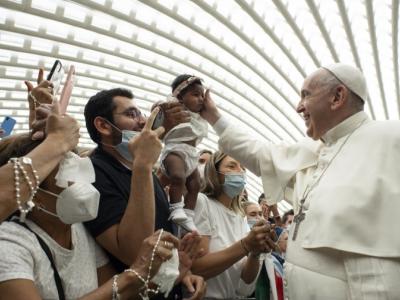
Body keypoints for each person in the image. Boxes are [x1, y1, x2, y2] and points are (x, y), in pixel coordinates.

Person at [199, 63, 400, 299]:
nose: (298, 107)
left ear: (337, 97)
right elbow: (260, 154)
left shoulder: (390, 138)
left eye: (306, 95)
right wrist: (212, 116)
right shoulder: (312, 150)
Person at [0, 94, 180, 299]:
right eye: (66, 170)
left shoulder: (79, 232)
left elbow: (115, 290)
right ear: (31, 191)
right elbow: (126, 276)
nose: (83, 181)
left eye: (78, 166)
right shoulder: (9, 245)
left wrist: (173, 273)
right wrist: (134, 274)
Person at [83, 88, 205, 299]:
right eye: (131, 114)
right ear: (103, 125)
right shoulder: (94, 172)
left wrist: (182, 273)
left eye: (140, 114)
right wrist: (143, 164)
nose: (141, 122)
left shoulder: (141, 170)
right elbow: (134, 254)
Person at [191, 151, 276, 299]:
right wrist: (245, 245)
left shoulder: (238, 217)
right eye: (232, 166)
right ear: (215, 173)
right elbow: (197, 268)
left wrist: (255, 252)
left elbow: (246, 280)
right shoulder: (203, 203)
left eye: (243, 168)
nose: (240, 171)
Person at [157, 75, 208, 231]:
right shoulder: (174, 107)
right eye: (195, 94)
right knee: (178, 177)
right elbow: (160, 107)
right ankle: (176, 208)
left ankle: (188, 213)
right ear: (179, 96)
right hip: (175, 150)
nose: (200, 99)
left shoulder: (200, 115)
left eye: (202, 95)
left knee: (195, 184)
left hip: (192, 154)